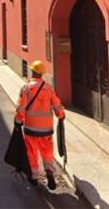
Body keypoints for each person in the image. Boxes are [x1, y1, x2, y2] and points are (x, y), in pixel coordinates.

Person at [14, 60, 65, 190]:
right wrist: (61, 115)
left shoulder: (26, 88)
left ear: (32, 72)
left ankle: (34, 177)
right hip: (46, 130)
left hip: (31, 129)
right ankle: (49, 170)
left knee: (31, 153)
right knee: (47, 152)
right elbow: (57, 105)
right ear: (42, 74)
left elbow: (21, 107)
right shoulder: (49, 89)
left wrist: (18, 121)